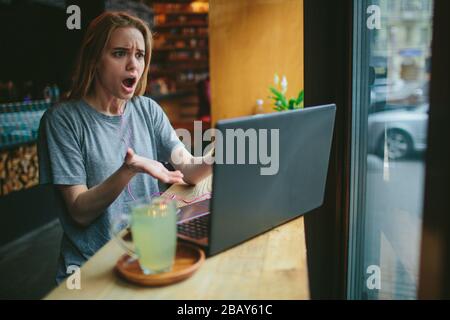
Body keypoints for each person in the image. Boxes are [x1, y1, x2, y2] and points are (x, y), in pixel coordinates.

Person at [38, 11, 212, 283]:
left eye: (140, 55)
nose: (133, 65)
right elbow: (79, 211)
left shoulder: (147, 109)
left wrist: (224, 153)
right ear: (95, 59)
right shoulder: (62, 120)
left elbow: (187, 167)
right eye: (120, 53)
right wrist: (128, 170)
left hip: (145, 253)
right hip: (91, 269)